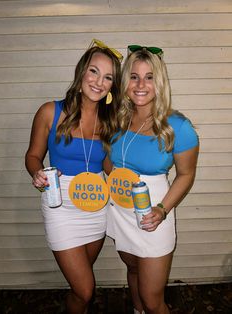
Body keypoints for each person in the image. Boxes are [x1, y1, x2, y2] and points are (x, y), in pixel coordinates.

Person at [25, 39, 122, 314]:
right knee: (85, 289)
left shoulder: (110, 122)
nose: (98, 82)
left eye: (108, 77)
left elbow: (108, 166)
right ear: (82, 73)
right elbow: (32, 156)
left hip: (95, 204)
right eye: (94, 71)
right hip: (61, 204)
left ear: (112, 87)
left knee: (81, 285)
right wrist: (37, 173)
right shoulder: (49, 112)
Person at [106, 45, 199, 314]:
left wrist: (162, 209)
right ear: (125, 82)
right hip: (120, 211)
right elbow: (109, 163)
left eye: (149, 77)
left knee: (152, 298)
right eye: (134, 76)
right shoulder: (117, 120)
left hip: (154, 214)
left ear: (159, 83)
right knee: (133, 269)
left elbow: (186, 174)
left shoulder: (178, 126)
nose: (140, 84)